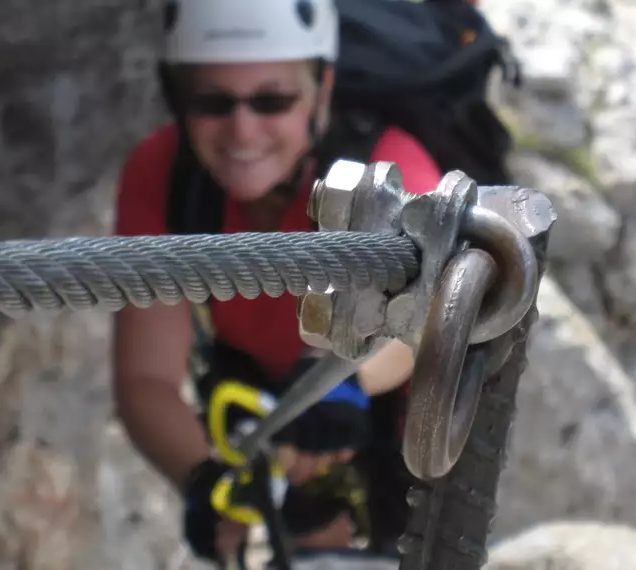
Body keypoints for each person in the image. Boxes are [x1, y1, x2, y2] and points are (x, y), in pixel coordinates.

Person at [112, 0, 442, 565]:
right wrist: (205, 483)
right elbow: (146, 377)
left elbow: (424, 315)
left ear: (322, 90)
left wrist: (347, 383)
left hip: (406, 429)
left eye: (273, 100)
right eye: (212, 102)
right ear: (177, 98)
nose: (243, 130)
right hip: (273, 413)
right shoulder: (162, 174)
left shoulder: (388, 175)